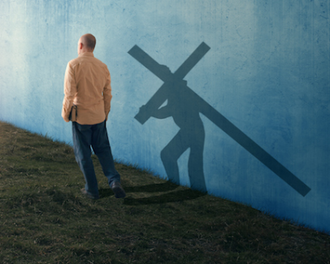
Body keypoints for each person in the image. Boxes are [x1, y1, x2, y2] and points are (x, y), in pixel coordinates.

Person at [61, 33, 125, 200]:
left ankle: (92, 190)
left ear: (81, 46)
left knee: (83, 154)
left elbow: (69, 95)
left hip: (81, 117)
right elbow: (108, 94)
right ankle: (114, 181)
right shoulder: (103, 66)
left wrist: (65, 115)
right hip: (99, 116)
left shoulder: (73, 65)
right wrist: (105, 113)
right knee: (104, 150)